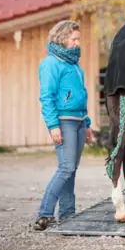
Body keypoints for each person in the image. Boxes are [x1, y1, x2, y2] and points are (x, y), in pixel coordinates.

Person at [33, 20, 94, 231]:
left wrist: (87, 124)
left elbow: (82, 97)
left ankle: (68, 214)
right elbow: (47, 97)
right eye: (74, 39)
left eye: (78, 39)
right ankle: (45, 213)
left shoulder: (75, 66)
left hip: (78, 121)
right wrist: (53, 126)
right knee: (66, 167)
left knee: (72, 169)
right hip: (64, 121)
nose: (77, 43)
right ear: (62, 38)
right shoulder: (51, 64)